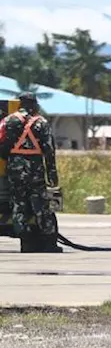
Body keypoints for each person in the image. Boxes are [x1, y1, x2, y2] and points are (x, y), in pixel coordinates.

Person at [0, 92, 62, 253]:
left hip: (15, 170)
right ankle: (49, 243)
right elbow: (49, 150)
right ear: (34, 104)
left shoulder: (8, 121)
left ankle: (26, 242)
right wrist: (52, 174)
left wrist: (13, 159)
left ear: (20, 104)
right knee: (41, 206)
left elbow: (2, 146)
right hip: (35, 170)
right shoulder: (41, 123)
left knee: (18, 204)